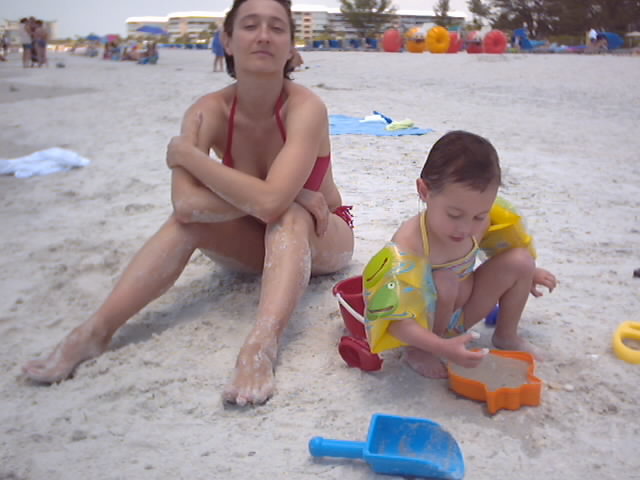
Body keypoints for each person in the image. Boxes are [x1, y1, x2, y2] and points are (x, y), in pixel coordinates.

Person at [22, 0, 355, 407]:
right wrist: (278, 194)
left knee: (290, 213)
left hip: (322, 234)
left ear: (290, 47)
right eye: (250, 25)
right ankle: (94, 331)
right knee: (190, 222)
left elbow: (272, 205)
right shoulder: (207, 111)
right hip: (256, 236)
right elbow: (186, 204)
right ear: (227, 41)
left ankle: (260, 346)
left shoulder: (306, 108)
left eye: (276, 28)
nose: (263, 36)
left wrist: (192, 158)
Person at [362, 131, 556, 379]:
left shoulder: (479, 216)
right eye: (454, 215)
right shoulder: (409, 245)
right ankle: (420, 351)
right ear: (424, 191)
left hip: (464, 309)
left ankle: (507, 336)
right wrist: (440, 347)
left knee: (521, 261)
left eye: (479, 216)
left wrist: (529, 274)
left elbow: (501, 248)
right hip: (423, 325)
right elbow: (395, 321)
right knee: (445, 282)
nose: (465, 228)